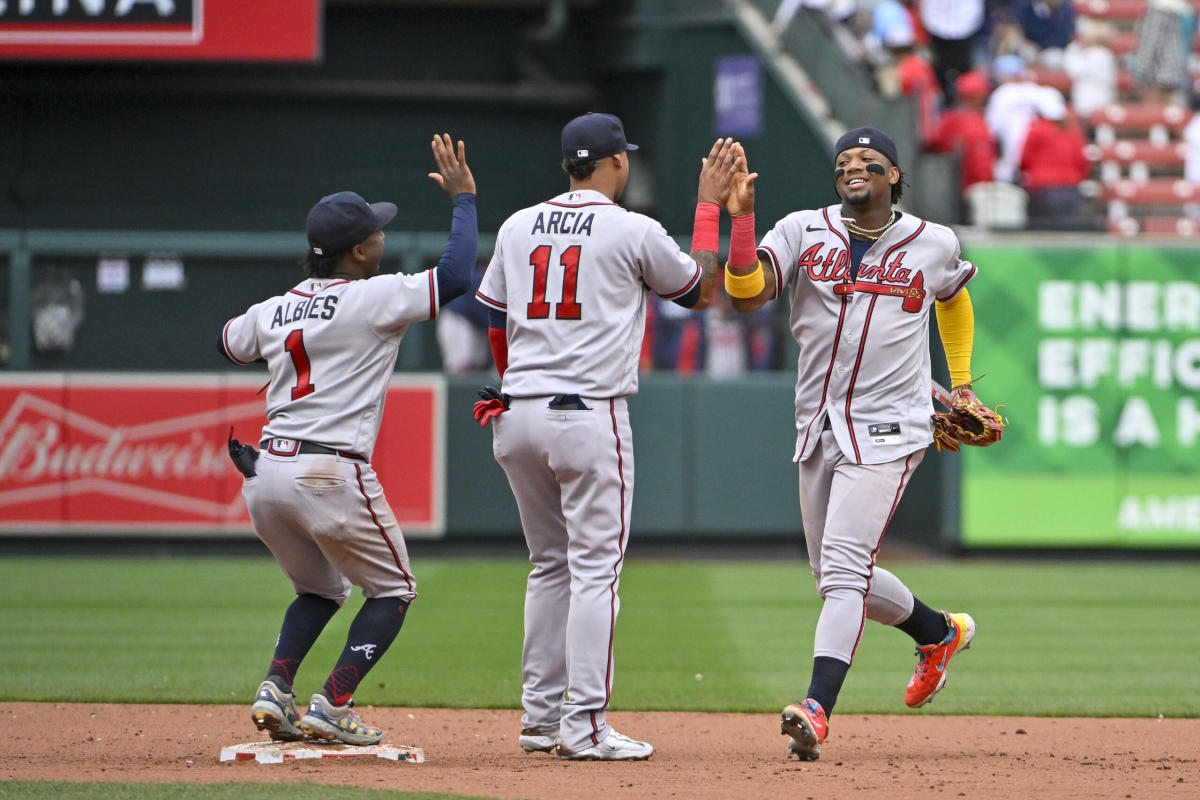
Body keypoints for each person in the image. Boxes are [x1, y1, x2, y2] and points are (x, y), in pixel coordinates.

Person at [473, 114, 738, 761]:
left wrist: (514, 385)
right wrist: (708, 206)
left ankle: (539, 720)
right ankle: (584, 724)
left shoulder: (516, 225)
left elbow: (493, 319)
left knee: (549, 567)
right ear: (617, 162)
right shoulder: (631, 227)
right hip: (586, 414)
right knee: (595, 571)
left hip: (517, 412)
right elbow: (699, 291)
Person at [721, 127, 983, 761]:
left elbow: (952, 298)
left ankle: (817, 709)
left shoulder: (932, 241)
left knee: (842, 571)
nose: (853, 168)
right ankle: (939, 631)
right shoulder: (799, 230)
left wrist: (964, 381)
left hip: (892, 426)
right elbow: (745, 294)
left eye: (869, 161)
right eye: (843, 162)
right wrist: (741, 220)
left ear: (894, 176)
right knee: (837, 578)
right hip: (817, 422)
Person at [218, 134, 477, 746]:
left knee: (318, 589)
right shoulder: (373, 297)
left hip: (265, 474)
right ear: (359, 251)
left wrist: (292, 331)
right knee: (394, 590)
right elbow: (458, 274)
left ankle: (275, 689)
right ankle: (333, 702)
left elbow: (229, 340)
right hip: (328, 472)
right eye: (377, 234)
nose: (383, 239)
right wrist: (464, 200)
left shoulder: (274, 308)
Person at [1018, 90, 1090, 229]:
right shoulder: (1073, 131)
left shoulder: (1037, 129)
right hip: (1068, 190)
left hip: (1041, 190)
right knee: (1065, 238)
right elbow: (1082, 162)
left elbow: (1024, 159)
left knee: (1041, 236)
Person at [1131, 0, 1195, 106]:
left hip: (1157, 76)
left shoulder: (1159, 11)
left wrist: (1142, 74)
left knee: (1153, 112)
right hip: (1175, 71)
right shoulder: (1184, 11)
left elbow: (1150, 45)